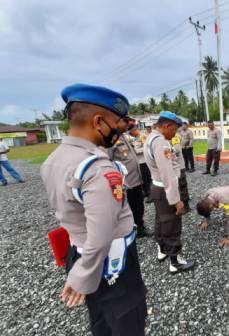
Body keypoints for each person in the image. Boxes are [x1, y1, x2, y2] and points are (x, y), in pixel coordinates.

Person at [40, 83, 147, 335]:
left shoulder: (54, 159)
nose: (120, 130)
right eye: (117, 123)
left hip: (77, 252)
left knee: (100, 319)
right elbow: (101, 235)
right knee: (127, 319)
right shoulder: (98, 168)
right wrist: (83, 276)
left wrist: (78, 271)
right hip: (110, 261)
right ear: (99, 122)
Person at [143, 111, 195, 274]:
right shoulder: (161, 143)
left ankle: (162, 250)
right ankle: (175, 262)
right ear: (167, 126)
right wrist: (176, 200)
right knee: (172, 224)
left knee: (161, 221)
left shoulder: (150, 138)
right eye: (174, 130)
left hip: (157, 187)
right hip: (165, 190)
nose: (175, 134)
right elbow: (168, 174)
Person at [109, 121, 150, 238]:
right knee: (131, 206)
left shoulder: (124, 137)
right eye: (125, 123)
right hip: (127, 182)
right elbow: (108, 161)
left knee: (139, 204)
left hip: (136, 179)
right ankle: (133, 229)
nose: (128, 126)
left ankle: (140, 226)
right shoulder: (110, 140)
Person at [171, 129, 191, 213]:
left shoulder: (175, 136)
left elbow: (177, 151)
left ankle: (185, 206)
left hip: (178, 167)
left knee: (182, 186)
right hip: (172, 167)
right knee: (175, 187)